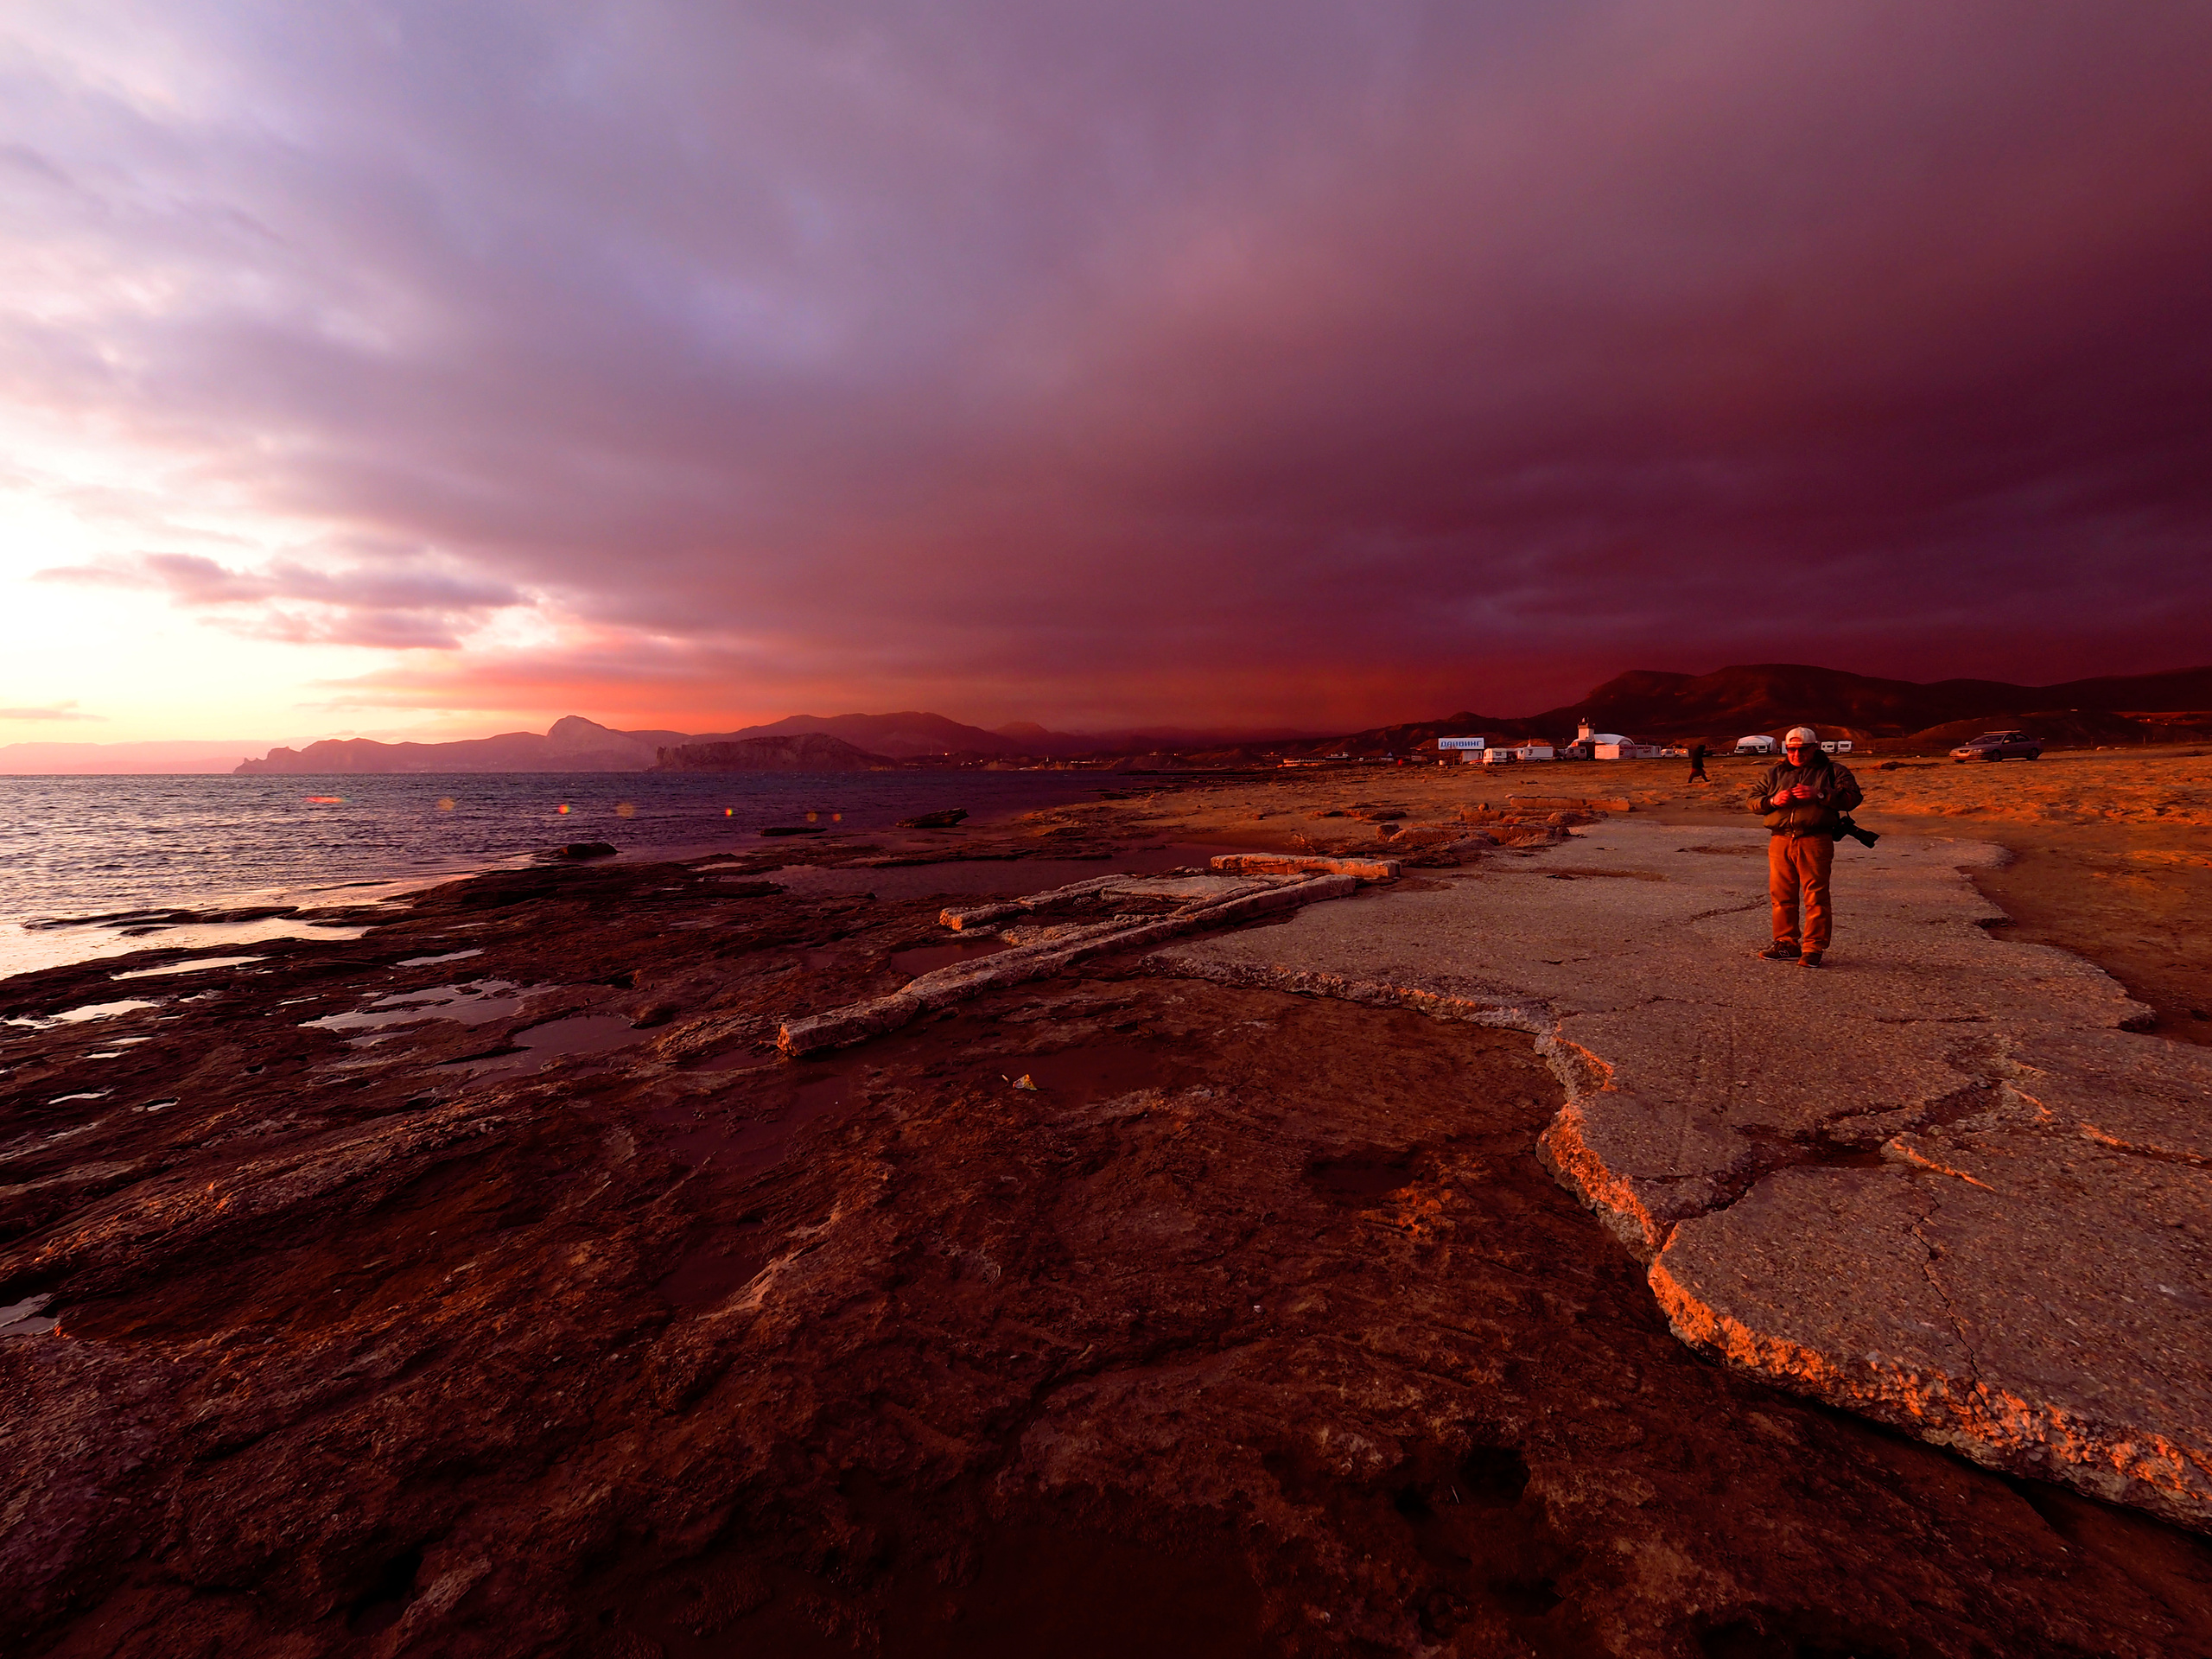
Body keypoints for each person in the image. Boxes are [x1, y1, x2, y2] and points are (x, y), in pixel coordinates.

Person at [1749, 727, 1862, 967]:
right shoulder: (1775, 773)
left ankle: (1813, 947)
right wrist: (1772, 800)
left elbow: (1853, 797)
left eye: (1802, 749)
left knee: (1816, 896)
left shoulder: (1833, 771)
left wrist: (1819, 795)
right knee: (1781, 896)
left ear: (1815, 747)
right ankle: (1786, 943)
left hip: (1815, 839)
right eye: (1791, 749)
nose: (1796, 754)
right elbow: (1752, 800)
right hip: (1780, 839)